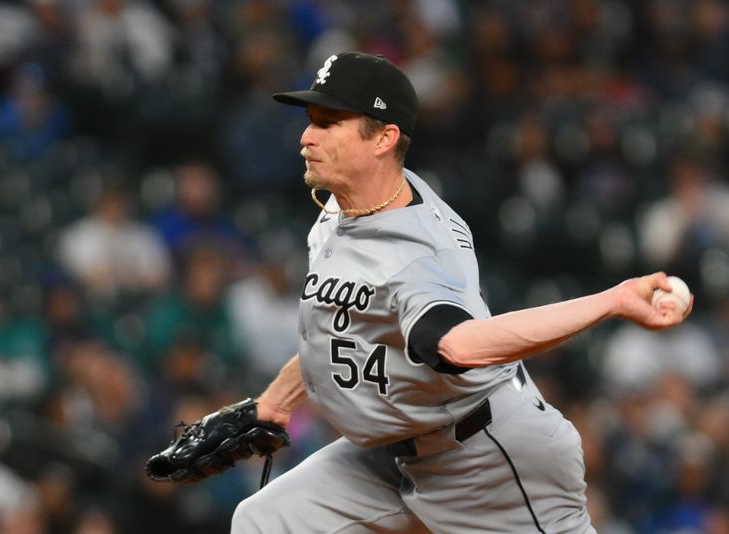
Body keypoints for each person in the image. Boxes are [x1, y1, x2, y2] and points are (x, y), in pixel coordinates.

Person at [227, 52, 693, 533]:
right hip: (394, 453)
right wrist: (276, 404)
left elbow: (456, 345)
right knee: (266, 520)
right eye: (310, 121)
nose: (306, 137)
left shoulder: (417, 252)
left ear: (384, 138)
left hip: (490, 460)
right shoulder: (346, 206)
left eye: (328, 123)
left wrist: (612, 301)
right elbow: (334, 325)